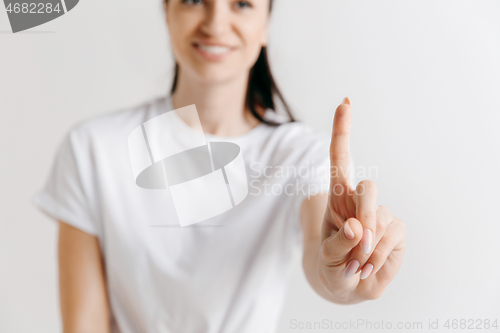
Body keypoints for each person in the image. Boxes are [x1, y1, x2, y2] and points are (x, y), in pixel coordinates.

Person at [33, 0, 407, 332]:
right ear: (166, 12)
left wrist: (344, 268)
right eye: (194, 0)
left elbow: (319, 255)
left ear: (266, 25)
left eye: (241, 4)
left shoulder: (299, 155)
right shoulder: (93, 149)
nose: (215, 22)